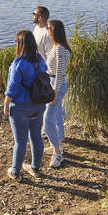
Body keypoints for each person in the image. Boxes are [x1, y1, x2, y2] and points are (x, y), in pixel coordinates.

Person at [3, 30, 47, 180]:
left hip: (21, 107)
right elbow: (44, 74)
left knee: (20, 141)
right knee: (36, 137)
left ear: (20, 44)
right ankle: (35, 167)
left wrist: (6, 103)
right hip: (38, 105)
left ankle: (15, 172)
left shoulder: (19, 63)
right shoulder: (40, 61)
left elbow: (13, 87)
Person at [43, 19, 71, 168]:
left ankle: (57, 154)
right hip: (53, 83)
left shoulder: (59, 49)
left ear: (53, 30)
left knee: (47, 120)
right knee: (58, 115)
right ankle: (59, 145)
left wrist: (55, 92)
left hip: (56, 85)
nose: (46, 30)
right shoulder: (57, 47)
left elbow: (59, 73)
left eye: (48, 28)